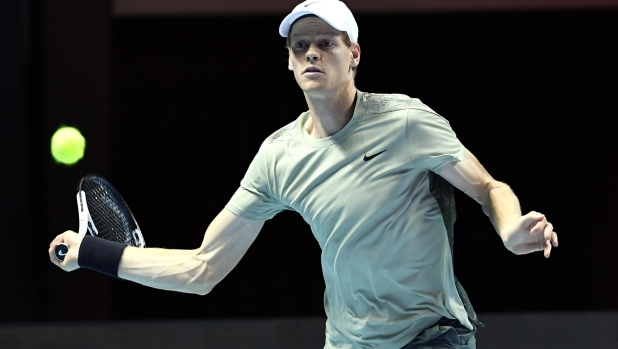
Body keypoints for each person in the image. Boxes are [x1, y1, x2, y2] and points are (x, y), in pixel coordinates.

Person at [49, 1, 559, 348]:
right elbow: (203, 269)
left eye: (326, 42)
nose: (311, 52)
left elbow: (488, 187)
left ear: (353, 54)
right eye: (299, 46)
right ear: (290, 64)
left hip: (433, 336)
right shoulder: (279, 156)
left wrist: (511, 229)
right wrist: (92, 253)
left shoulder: (405, 121)